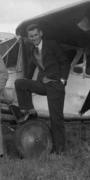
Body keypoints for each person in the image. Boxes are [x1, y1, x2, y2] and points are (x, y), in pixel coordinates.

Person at [14, 24, 70, 155]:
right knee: (19, 83)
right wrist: (27, 83)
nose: (33, 38)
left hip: (55, 85)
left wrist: (62, 80)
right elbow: (30, 69)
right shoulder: (32, 50)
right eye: (31, 36)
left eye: (35, 35)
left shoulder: (52, 45)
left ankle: (60, 150)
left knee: (56, 119)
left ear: (41, 34)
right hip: (42, 83)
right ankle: (30, 112)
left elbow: (65, 62)